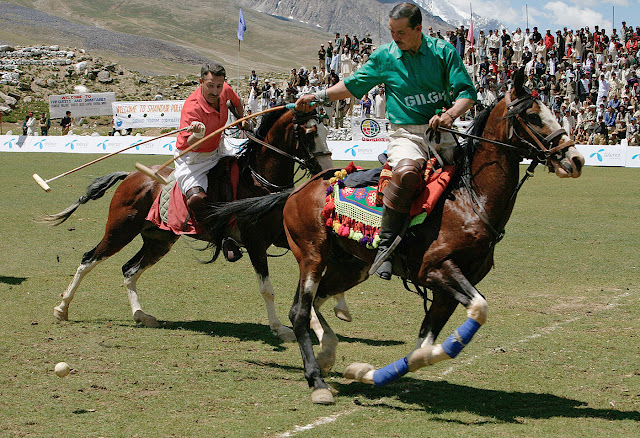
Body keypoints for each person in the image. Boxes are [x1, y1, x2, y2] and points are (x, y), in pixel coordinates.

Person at [295, 2, 476, 280]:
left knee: (471, 174)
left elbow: (466, 92)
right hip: (406, 133)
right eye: (392, 31)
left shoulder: (443, 52)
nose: (395, 37)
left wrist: (451, 114)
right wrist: (318, 96)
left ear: (418, 29)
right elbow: (354, 84)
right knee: (405, 173)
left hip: (443, 131)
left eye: (401, 32)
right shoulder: (385, 56)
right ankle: (387, 247)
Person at [174, 62, 244, 262]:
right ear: (201, 81)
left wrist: (243, 118)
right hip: (193, 159)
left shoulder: (225, 90)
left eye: (219, 86)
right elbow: (190, 144)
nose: (215, 91)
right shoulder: (192, 107)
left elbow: (236, 102)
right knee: (197, 199)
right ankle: (221, 238)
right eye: (210, 85)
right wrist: (198, 133)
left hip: (218, 149)